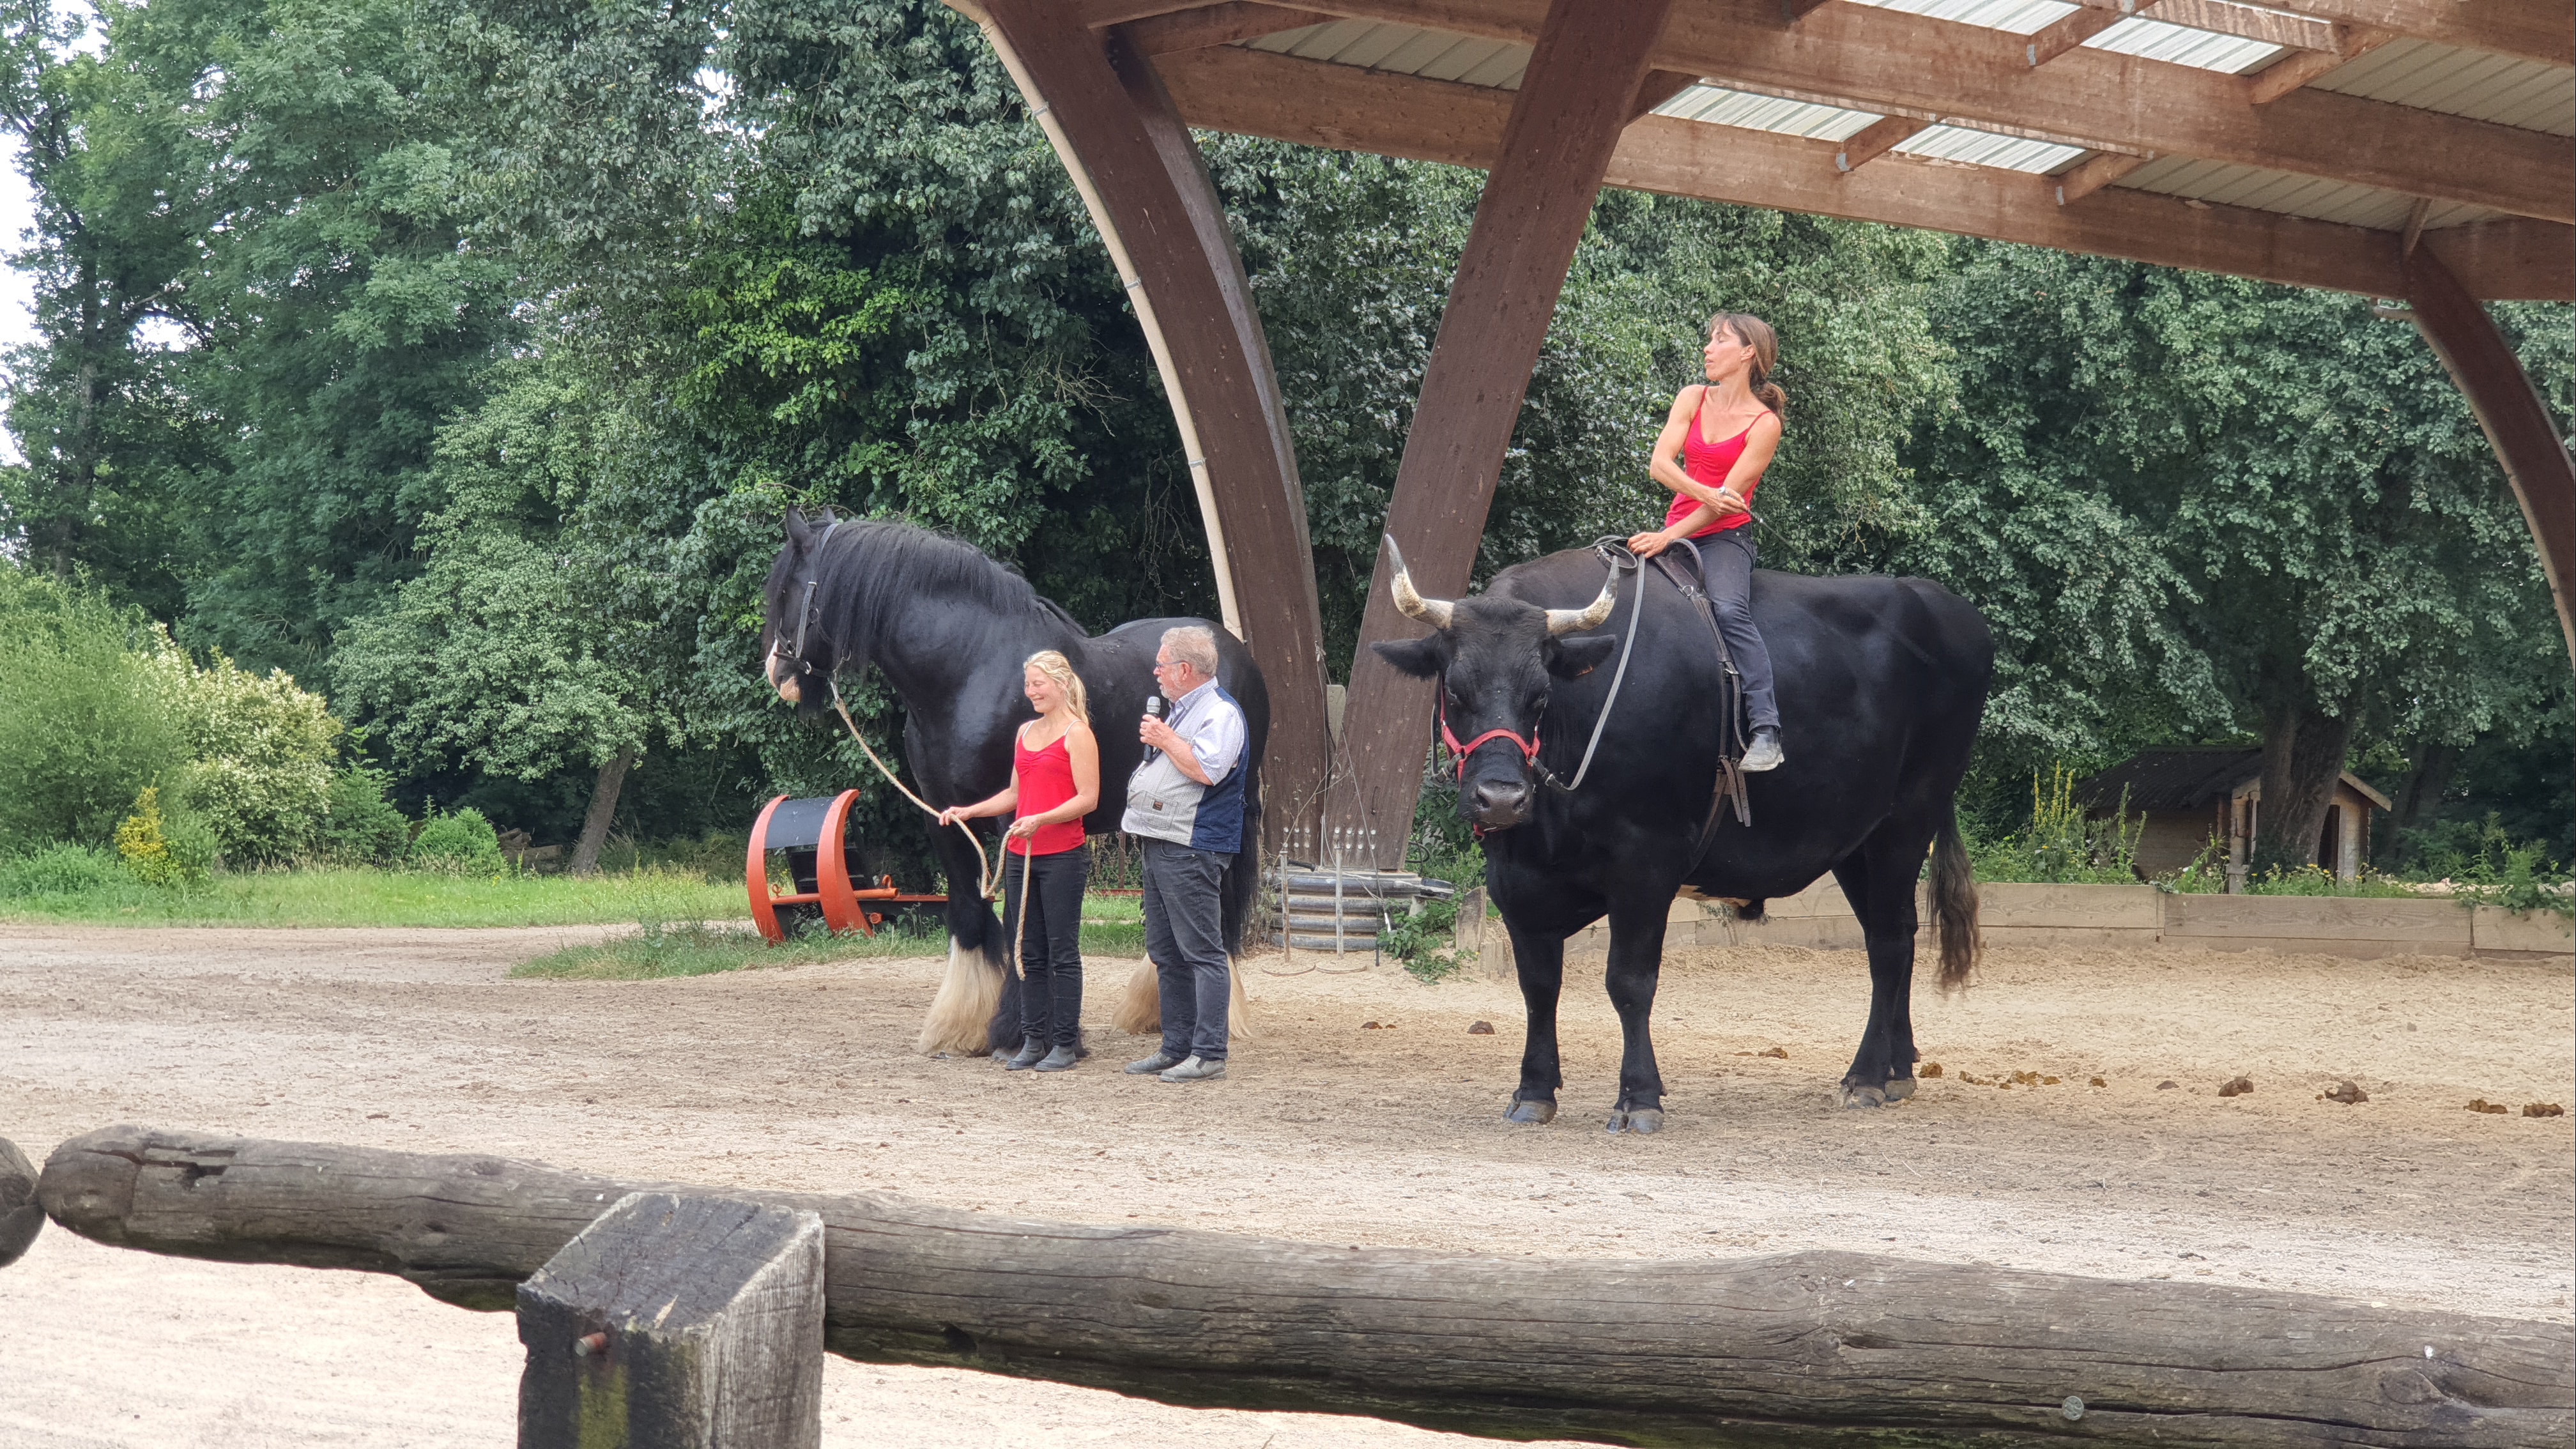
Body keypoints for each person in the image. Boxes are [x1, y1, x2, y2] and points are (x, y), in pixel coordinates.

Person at [1626, 311, 1788, 772]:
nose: (1707, 348)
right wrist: (1703, 495)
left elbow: (1724, 508)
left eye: (1719, 340)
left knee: (1730, 610)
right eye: (1710, 340)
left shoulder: (1765, 425)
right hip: (1677, 528)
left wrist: (1668, 535)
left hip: (1723, 538)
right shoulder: (1692, 397)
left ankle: (1766, 730)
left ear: (1748, 353)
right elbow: (1660, 465)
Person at [936, 650, 1100, 1073]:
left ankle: (1064, 1044)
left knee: (1062, 952)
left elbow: (1088, 798)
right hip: (1021, 857)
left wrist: (1041, 819)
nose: (1031, 692)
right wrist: (969, 811)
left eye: (1038, 684)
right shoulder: (1025, 732)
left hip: (1062, 857)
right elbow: (1014, 794)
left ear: (1061, 684)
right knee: (1026, 950)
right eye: (1028, 684)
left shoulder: (1078, 734)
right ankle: (1032, 1040)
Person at [1120, 624, 1247, 1084]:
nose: (1155, 672)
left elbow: (1207, 770)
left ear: (1185, 669)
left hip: (1193, 846)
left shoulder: (1221, 713)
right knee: (1165, 952)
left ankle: (1209, 1053)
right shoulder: (1181, 712)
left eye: (1161, 665)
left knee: (1202, 953)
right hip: (1162, 841)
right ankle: (1175, 1047)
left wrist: (1163, 738)